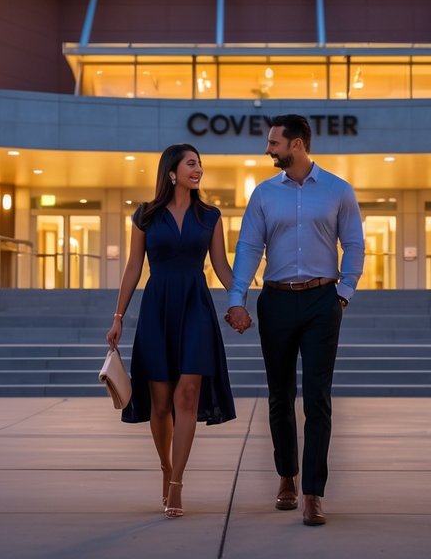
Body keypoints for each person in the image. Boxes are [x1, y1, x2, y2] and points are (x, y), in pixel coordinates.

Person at [225, 114, 364, 526]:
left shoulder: (338, 190)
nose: (268, 149)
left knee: (318, 398)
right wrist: (237, 299)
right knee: (280, 395)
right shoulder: (264, 194)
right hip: (277, 301)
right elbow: (249, 247)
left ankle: (313, 493)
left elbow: (354, 244)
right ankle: (287, 476)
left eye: (274, 143)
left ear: (297, 144)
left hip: (323, 300)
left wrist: (343, 293)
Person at [107, 143, 236, 519]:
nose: (198, 169)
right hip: (157, 308)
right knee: (160, 403)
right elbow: (134, 267)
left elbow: (220, 265)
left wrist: (241, 299)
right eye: (191, 164)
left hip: (195, 307)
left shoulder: (210, 216)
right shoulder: (145, 215)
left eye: (200, 164)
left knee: (189, 394)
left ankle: (177, 482)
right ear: (172, 172)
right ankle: (166, 467)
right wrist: (118, 316)